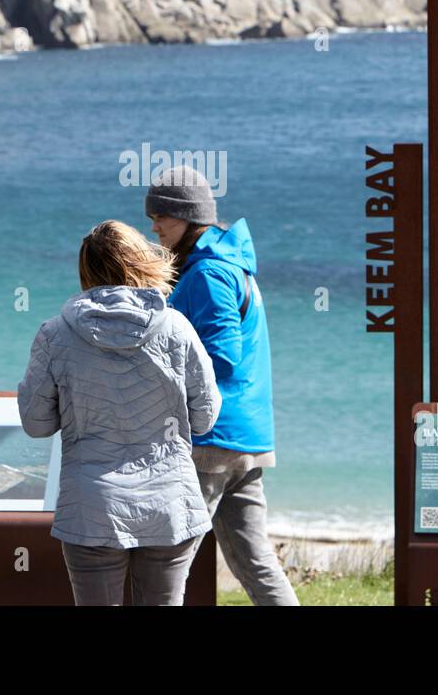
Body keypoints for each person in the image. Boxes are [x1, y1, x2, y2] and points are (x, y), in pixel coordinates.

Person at [18, 220, 220, 606]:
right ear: (142, 262)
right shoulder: (176, 328)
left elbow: (36, 423)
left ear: (85, 270)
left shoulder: (54, 333)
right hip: (169, 504)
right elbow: (205, 416)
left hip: (92, 506)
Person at [145, 165, 300, 605]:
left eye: (163, 217)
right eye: (153, 216)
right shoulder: (227, 264)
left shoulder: (210, 273)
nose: (154, 226)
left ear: (192, 219)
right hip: (244, 435)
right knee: (253, 558)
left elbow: (222, 357)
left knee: (169, 558)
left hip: (212, 437)